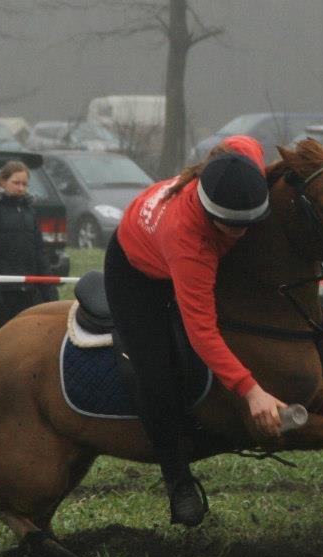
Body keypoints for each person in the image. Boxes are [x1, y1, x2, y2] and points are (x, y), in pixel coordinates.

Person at [103, 135, 287, 528]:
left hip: (181, 246)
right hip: (137, 271)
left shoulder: (242, 163)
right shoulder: (189, 242)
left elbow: (241, 142)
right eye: (231, 226)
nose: (241, 233)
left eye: (248, 223)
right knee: (155, 371)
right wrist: (251, 391)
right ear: (210, 213)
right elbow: (202, 332)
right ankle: (178, 479)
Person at [0, 160, 59, 333]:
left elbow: (39, 251)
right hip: (3, 290)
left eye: (24, 184)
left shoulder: (29, 211)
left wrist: (49, 289)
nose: (21, 188)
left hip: (28, 289)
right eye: (16, 183)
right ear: (2, 182)